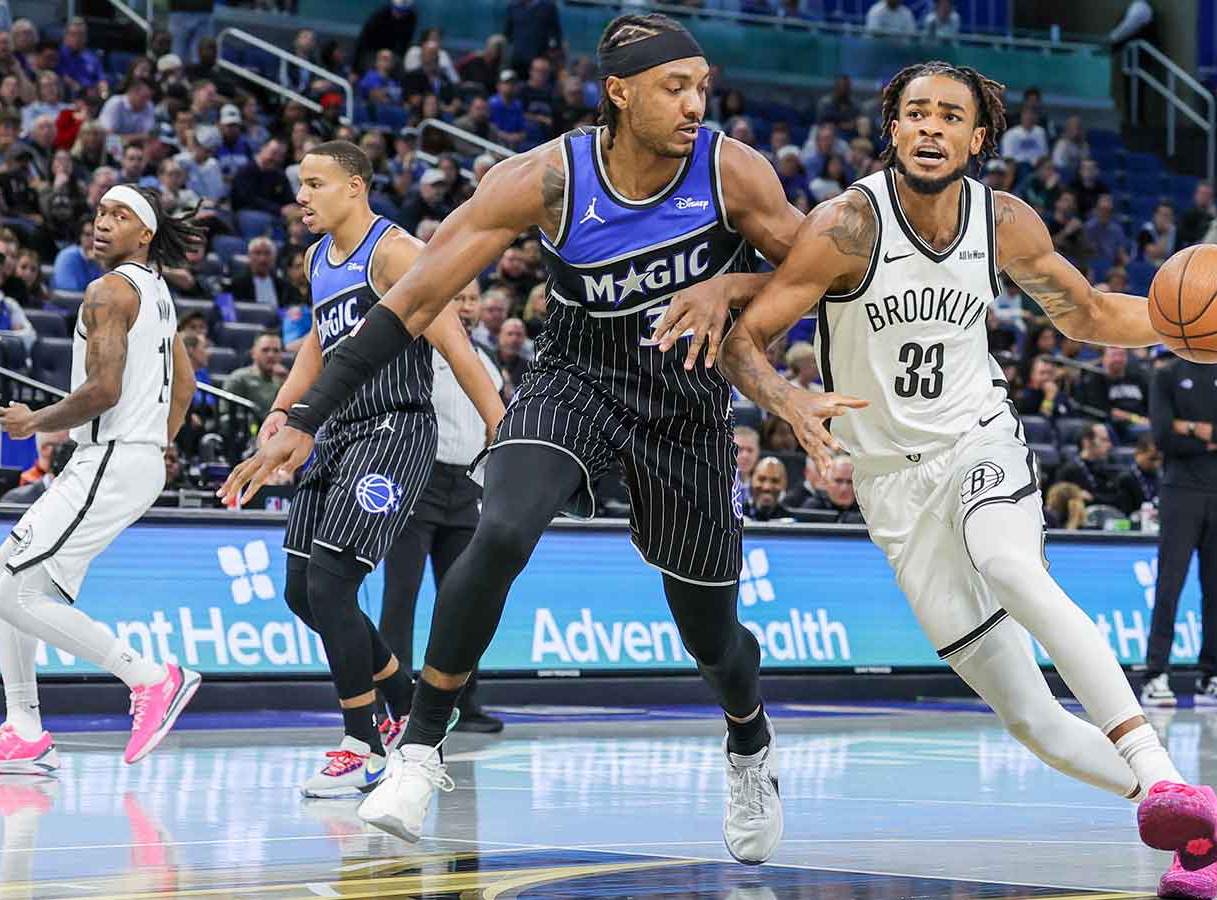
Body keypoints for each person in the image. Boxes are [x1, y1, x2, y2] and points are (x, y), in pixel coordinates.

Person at [222, 15, 806, 858]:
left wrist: (733, 286)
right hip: (575, 375)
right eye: (675, 88)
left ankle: (749, 741)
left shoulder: (732, 171)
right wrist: (303, 419)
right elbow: (414, 302)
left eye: (701, 87)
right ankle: (420, 749)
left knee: (711, 634)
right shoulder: (544, 178)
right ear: (619, 91)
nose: (694, 104)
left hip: (684, 401)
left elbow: (823, 268)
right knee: (499, 528)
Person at [718, 60, 1217, 899]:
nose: (930, 128)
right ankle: (1186, 819)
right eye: (915, 114)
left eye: (949, 117)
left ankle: (1157, 766)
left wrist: (1182, 331)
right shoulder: (848, 223)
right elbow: (748, 336)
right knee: (1029, 718)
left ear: (978, 136)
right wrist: (788, 398)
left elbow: (1089, 314)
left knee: (1008, 564)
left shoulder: (1003, 222)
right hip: (891, 487)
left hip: (978, 440)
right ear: (892, 128)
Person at [248, 142, 503, 798]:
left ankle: (360, 741)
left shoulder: (397, 253)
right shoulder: (314, 258)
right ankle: (405, 705)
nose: (301, 196)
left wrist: (500, 428)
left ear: (355, 187)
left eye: (315, 183)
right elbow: (318, 340)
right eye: (298, 185)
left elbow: (457, 345)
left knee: (333, 583)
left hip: (395, 426)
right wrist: (282, 409)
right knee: (302, 589)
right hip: (338, 429)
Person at [0, 185, 203, 776]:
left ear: (144, 234)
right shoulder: (158, 293)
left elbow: (104, 391)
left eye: (120, 216)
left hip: (114, 457)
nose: (102, 224)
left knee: (14, 589)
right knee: (4, 578)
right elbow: (188, 386)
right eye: (100, 213)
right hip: (129, 459)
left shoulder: (108, 290)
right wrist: (156, 443)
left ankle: (150, 678)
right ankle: (24, 729)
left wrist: (32, 422)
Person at [380, 280, 507, 735]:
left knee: (466, 604)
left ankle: (464, 703)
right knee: (401, 601)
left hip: (467, 487)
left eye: (472, 298)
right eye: (456, 297)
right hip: (419, 482)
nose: (466, 306)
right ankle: (392, 705)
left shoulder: (487, 365)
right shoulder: (416, 352)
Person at [1141, 354, 1217, 707]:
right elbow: (1163, 436)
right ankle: (1156, 674)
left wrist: (1192, 428)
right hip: (1180, 491)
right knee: (1169, 584)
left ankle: (1213, 675)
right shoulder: (1166, 376)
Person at [221, 332, 285, 420]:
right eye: (265, 350)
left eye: (276, 351)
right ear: (253, 353)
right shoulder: (238, 379)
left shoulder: (285, 380)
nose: (271, 355)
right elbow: (226, 416)